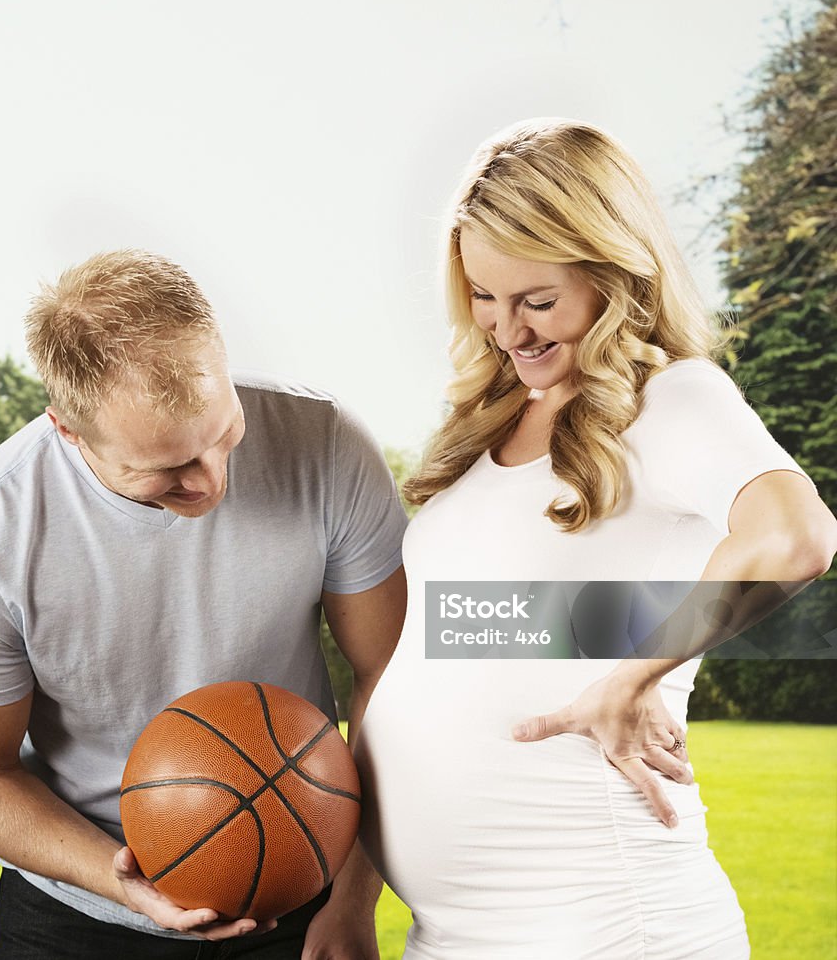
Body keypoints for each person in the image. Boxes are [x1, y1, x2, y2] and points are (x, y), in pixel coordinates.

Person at [355, 119, 837, 959]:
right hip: (454, 936)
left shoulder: (674, 399)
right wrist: (351, 895)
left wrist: (638, 669)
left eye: (538, 301)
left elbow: (795, 536)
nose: (510, 332)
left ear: (613, 270)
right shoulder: (489, 426)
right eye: (484, 298)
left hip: (608, 922)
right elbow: (427, 670)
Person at [0, 249, 408, 958]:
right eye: (167, 468)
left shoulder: (325, 443)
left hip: (299, 884)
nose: (210, 481)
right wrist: (120, 883)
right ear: (68, 429)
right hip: (74, 914)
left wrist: (355, 898)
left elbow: (389, 671)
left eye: (224, 434)